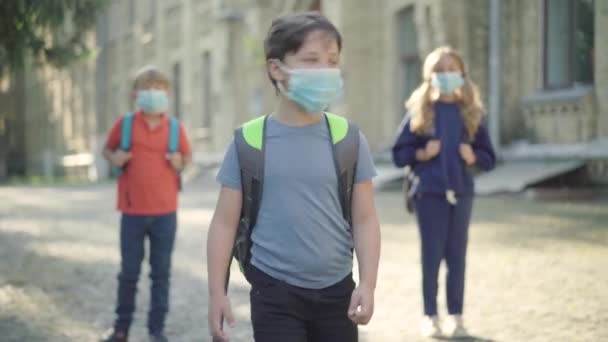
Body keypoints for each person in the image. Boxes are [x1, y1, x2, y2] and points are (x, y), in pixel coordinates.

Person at [206, 12, 381, 342]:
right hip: (274, 293)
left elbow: (366, 218)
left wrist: (368, 284)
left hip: (337, 293)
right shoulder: (249, 141)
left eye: (332, 61)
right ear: (276, 69)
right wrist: (217, 292)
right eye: (311, 60)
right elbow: (224, 224)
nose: (325, 71)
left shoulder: (349, 139)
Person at [392, 46, 496, 338]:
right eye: (439, 70)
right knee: (431, 257)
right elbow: (399, 153)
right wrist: (422, 153)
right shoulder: (420, 112)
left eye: (452, 69)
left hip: (462, 194)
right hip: (430, 195)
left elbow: (490, 158)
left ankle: (456, 316)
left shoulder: (471, 114)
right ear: (429, 76)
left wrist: (473, 156)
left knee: (457, 257)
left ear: (461, 74)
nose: (446, 75)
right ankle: (429, 316)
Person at [100, 66, 192, 342]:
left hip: (165, 213)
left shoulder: (175, 128)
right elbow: (107, 149)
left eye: (160, 88)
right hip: (132, 213)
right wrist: (115, 158)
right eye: (148, 88)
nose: (154, 93)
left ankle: (156, 330)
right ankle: (121, 328)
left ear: (168, 94)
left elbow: (187, 159)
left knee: (161, 274)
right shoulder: (125, 124)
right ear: (135, 94)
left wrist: (180, 163)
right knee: (128, 273)